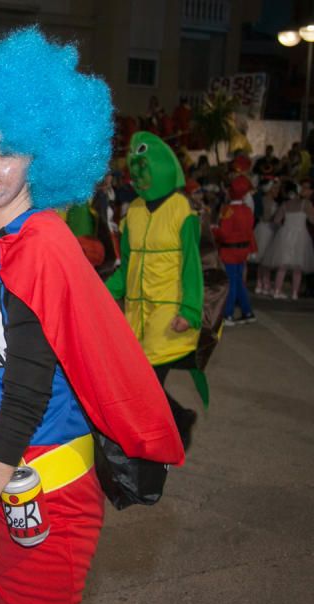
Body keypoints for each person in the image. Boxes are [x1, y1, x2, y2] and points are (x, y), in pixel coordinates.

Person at [0, 28, 184, 604]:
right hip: (12, 491)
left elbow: (26, 400)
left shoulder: (37, 248)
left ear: (46, 158)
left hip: (41, 500)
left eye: (8, 150)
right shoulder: (14, 242)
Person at [104, 131, 205, 450]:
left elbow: (193, 266)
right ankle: (178, 418)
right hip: (137, 313)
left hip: (168, 312)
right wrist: (103, 292)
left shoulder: (181, 210)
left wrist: (189, 310)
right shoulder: (133, 210)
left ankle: (155, 438)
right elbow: (128, 264)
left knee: (146, 381)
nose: (138, 177)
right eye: (134, 172)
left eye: (144, 169)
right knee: (139, 380)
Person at [214, 176, 256, 325]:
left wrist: (213, 230)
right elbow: (250, 232)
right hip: (243, 251)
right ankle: (247, 312)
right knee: (238, 282)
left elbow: (224, 234)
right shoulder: (247, 210)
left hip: (229, 252)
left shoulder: (228, 210)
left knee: (231, 283)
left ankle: (228, 314)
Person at [266, 179, 314, 299]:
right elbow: (313, 220)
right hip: (301, 235)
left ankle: (277, 290)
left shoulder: (285, 205)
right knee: (298, 266)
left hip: (285, 234)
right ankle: (294, 293)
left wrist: (285, 227)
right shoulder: (306, 204)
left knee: (283, 264)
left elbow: (276, 220)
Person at [252, 178, 279, 295]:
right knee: (263, 257)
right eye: (275, 188)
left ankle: (263, 282)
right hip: (265, 229)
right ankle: (261, 283)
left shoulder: (274, 202)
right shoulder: (265, 201)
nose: (277, 191)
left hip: (271, 229)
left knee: (266, 258)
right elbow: (265, 217)